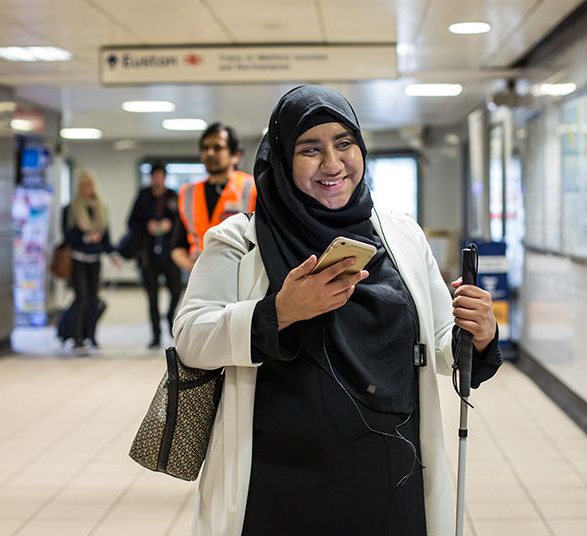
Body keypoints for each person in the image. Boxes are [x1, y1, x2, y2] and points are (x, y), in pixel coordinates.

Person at [173, 86, 502, 536]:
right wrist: (280, 311)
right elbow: (190, 335)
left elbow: (443, 344)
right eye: (311, 148)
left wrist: (478, 333)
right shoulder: (240, 241)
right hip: (277, 485)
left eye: (344, 144)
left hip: (390, 476)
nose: (333, 164)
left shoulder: (400, 235)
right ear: (284, 158)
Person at [170, 122, 256, 272]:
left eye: (217, 148)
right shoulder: (188, 193)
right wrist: (191, 267)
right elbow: (178, 245)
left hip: (240, 275)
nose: (209, 153)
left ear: (235, 155)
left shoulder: (252, 188)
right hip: (199, 277)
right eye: (205, 148)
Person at [63, 169, 120, 355]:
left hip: (95, 259)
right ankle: (77, 337)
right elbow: (68, 236)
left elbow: (105, 238)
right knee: (82, 298)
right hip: (78, 259)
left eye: (90, 185)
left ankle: (92, 336)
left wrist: (113, 254)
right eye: (84, 185)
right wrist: (86, 239)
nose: (88, 189)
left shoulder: (100, 208)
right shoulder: (70, 209)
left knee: (94, 299)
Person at [127, 164, 183, 348]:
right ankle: (156, 334)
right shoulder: (143, 196)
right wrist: (147, 226)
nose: (157, 179)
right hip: (148, 256)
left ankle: (169, 316)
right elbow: (131, 222)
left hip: (170, 255)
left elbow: (181, 222)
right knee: (152, 298)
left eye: (160, 176)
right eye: (154, 176)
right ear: (151, 178)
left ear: (164, 178)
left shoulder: (172, 196)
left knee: (176, 291)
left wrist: (169, 226)